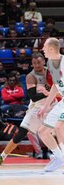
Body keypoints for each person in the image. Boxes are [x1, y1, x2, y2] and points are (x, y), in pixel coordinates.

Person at [0, 52, 61, 166]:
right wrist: (48, 94)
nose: (37, 65)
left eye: (39, 62)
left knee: (59, 129)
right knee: (21, 132)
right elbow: (33, 96)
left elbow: (58, 88)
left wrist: (52, 94)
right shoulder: (31, 76)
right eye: (34, 63)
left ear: (44, 61)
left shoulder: (52, 72)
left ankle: (58, 156)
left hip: (52, 105)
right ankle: (2, 157)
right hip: (37, 107)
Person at [37, 38, 64, 172]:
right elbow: (55, 85)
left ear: (52, 49)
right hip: (62, 101)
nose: (42, 49)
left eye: (44, 47)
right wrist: (46, 106)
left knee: (60, 127)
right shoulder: (50, 63)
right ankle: (59, 158)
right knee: (42, 131)